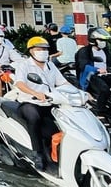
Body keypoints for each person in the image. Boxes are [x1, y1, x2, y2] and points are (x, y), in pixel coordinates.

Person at [14, 37, 73, 169]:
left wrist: (79, 92)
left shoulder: (50, 65)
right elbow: (19, 83)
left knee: (61, 127)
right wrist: (35, 93)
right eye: (39, 49)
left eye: (45, 49)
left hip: (49, 103)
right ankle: (37, 154)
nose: (43, 52)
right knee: (33, 117)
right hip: (29, 103)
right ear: (31, 51)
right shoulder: (24, 65)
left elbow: (63, 82)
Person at [75, 28, 111, 114]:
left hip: (106, 75)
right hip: (91, 76)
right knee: (104, 90)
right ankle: (100, 111)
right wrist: (97, 70)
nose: (103, 42)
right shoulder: (84, 51)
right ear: (93, 40)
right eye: (101, 40)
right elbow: (83, 65)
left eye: (104, 40)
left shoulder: (105, 51)